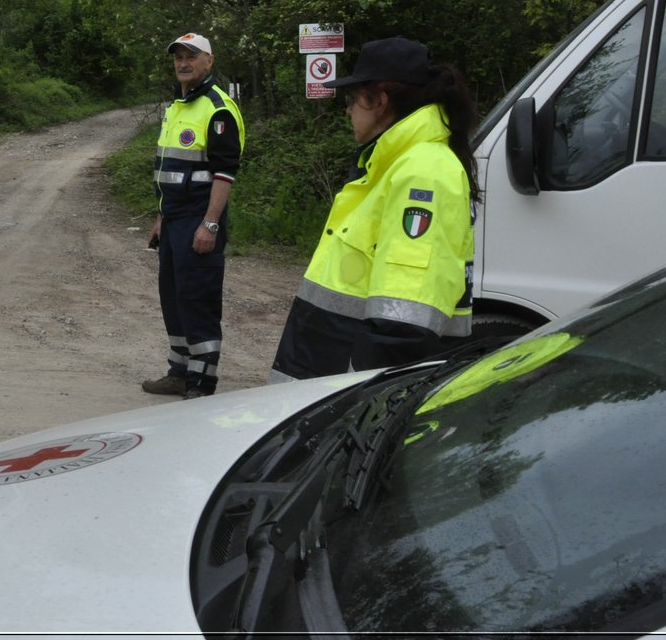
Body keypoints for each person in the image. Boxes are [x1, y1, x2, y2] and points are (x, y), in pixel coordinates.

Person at [270, 36, 478, 382]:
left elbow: (403, 323)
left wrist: (357, 406)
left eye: (353, 100)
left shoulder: (423, 172)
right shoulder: (390, 165)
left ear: (380, 100)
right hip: (323, 378)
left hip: (342, 396)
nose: (349, 111)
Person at [143, 32, 246, 398]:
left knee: (197, 298)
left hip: (198, 218)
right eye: (178, 57)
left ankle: (202, 383)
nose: (183, 63)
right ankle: (179, 371)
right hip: (173, 218)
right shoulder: (179, 106)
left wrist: (210, 223)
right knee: (173, 296)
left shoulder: (217, 108)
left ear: (209, 61)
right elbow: (170, 170)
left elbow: (224, 173)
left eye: (192, 56)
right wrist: (161, 215)